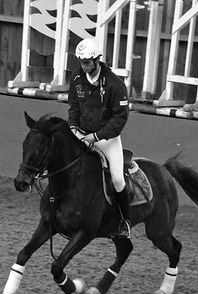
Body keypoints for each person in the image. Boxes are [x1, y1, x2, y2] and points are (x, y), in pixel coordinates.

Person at [67, 37, 131, 238]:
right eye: (81, 62)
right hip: (82, 136)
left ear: (97, 60)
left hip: (107, 140)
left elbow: (120, 118)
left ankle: (124, 222)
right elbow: (74, 106)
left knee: (118, 179)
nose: (83, 66)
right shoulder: (77, 77)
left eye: (87, 62)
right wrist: (73, 127)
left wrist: (96, 136)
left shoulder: (115, 85)